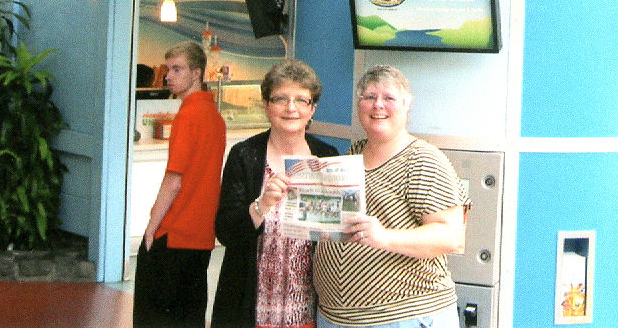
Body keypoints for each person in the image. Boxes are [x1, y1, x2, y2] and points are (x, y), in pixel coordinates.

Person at [313, 65, 470, 328]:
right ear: (359, 105)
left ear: (407, 105)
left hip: (405, 317)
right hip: (336, 318)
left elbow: (450, 236)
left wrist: (385, 237)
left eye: (389, 98)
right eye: (369, 97)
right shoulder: (352, 154)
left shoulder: (423, 160)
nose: (378, 105)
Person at [212, 59, 339, 328]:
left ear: (312, 108)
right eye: (281, 99)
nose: (291, 108)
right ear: (266, 105)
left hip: (309, 311)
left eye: (301, 100)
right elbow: (225, 232)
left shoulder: (327, 156)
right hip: (249, 309)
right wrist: (261, 205)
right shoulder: (244, 155)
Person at [133, 42, 226, 328]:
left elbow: (174, 180)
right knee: (189, 315)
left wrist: (151, 228)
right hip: (201, 235)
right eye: (168, 69)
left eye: (177, 69)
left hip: (174, 232)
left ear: (197, 73)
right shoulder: (215, 116)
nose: (168, 76)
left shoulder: (187, 115)